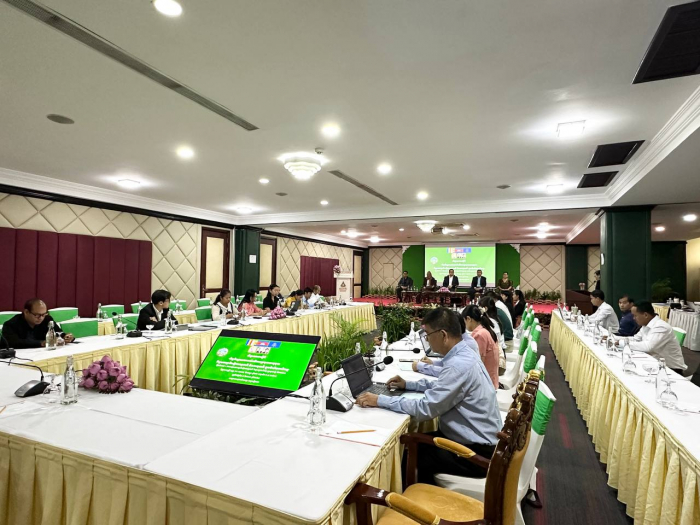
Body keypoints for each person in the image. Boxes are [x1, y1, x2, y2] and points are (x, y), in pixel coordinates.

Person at [355, 308, 501, 483]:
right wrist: (409, 384)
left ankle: (416, 498)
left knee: (409, 451)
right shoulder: (465, 352)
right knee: (416, 443)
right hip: (478, 441)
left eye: (428, 335)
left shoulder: (458, 365)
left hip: (474, 453)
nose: (427, 340)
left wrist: (380, 400)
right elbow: (444, 386)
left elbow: (425, 409)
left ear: (443, 335)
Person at [627, 301, 686, 374]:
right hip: (654, 363)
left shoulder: (661, 327)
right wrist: (617, 339)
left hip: (670, 369)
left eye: (635, 316)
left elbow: (648, 347)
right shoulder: (646, 324)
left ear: (645, 315)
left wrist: (623, 343)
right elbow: (635, 339)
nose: (634, 318)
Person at [413, 315, 480, 376]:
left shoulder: (467, 345)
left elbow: (449, 372)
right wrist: (432, 363)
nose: (427, 339)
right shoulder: (461, 343)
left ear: (444, 334)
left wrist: (421, 366)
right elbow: (448, 364)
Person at [1, 298, 75, 349]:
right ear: (26, 312)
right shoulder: (11, 324)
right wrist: (41, 343)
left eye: (44, 314)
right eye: (37, 315)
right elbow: (13, 342)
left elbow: (58, 332)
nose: (41, 318)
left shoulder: (47, 319)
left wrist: (66, 336)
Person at [462, 305, 500, 388]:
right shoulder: (484, 330)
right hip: (489, 380)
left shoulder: (480, 335)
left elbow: (478, 365)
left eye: (464, 321)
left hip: (485, 384)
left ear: (468, 319)